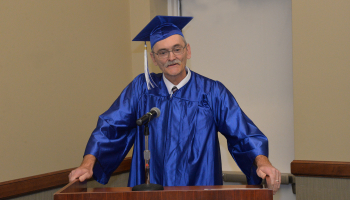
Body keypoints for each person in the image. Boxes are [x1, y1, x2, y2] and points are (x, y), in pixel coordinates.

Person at [69, 15, 281, 194]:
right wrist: (88, 164)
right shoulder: (141, 89)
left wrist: (262, 162)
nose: (171, 57)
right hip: (151, 191)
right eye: (163, 52)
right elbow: (109, 127)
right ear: (153, 58)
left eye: (177, 49)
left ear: (188, 51)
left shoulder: (212, 92)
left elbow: (242, 132)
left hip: (199, 190)